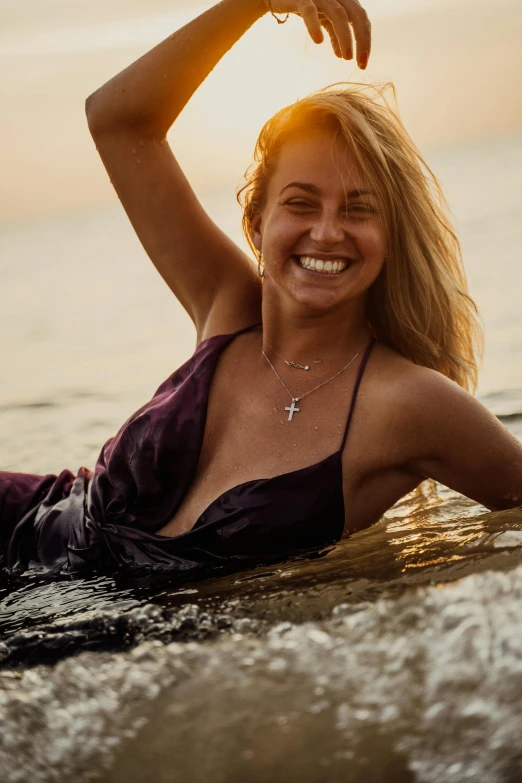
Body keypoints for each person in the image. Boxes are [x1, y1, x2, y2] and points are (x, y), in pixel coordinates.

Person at [1, 0, 522, 577]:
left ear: (392, 236)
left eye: (358, 209)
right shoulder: (226, 305)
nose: (326, 233)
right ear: (256, 223)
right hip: (22, 532)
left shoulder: (409, 402)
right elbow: (116, 120)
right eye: (300, 203)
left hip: (93, 638)